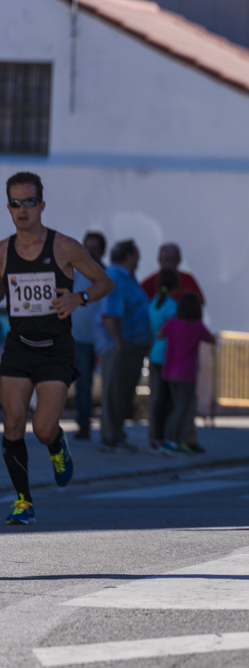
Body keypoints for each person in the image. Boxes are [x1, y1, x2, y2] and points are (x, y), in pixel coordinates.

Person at [2, 172, 114, 525]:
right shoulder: (3, 252)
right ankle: (23, 501)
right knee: (13, 423)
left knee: (44, 428)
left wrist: (78, 298)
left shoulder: (63, 246)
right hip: (18, 347)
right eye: (15, 203)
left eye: (29, 202)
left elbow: (104, 281)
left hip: (55, 350)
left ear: (42, 205)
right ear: (8, 207)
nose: (22, 210)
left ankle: (56, 446)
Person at [95, 240, 153, 453]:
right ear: (128, 256)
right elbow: (110, 314)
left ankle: (117, 435)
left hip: (132, 344)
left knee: (124, 394)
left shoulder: (127, 277)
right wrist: (119, 343)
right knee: (115, 394)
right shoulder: (115, 278)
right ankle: (110, 438)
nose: (139, 259)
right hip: (121, 345)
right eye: (136, 255)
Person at [157, 293, 215, 454]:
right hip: (187, 374)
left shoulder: (172, 323)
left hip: (169, 371)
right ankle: (172, 441)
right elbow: (211, 339)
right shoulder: (197, 326)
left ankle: (168, 439)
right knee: (181, 410)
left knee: (175, 408)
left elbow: (159, 334)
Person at [71, 231, 106, 439]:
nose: (90, 253)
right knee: (82, 385)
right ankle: (83, 425)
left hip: (104, 339)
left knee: (108, 387)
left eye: (94, 249)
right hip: (80, 339)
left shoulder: (108, 275)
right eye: (87, 249)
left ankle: (110, 428)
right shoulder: (75, 274)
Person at [147, 269, 179, 454]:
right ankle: (164, 437)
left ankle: (156, 436)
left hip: (155, 353)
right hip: (168, 355)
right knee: (167, 400)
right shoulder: (172, 306)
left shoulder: (154, 304)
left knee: (158, 398)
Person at [140, 243, 205, 305]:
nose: (169, 264)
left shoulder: (188, 279)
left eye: (172, 259)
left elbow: (199, 304)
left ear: (179, 260)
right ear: (159, 260)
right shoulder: (148, 284)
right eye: (166, 259)